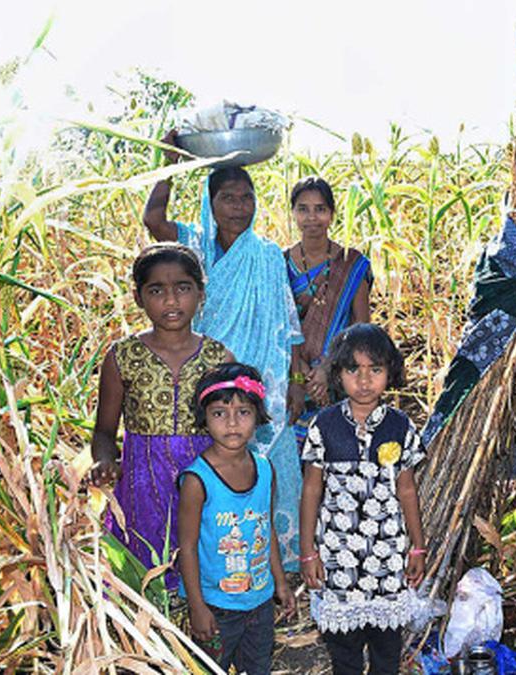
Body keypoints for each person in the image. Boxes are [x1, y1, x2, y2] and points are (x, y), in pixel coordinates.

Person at [144, 132, 305, 568]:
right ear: (210, 203)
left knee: (271, 472)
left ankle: (279, 569)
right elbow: (153, 218)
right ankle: (219, 567)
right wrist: (169, 159)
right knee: (212, 472)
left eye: (247, 197)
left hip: (263, 385)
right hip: (206, 380)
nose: (240, 206)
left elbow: (285, 326)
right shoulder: (192, 246)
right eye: (229, 197)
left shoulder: (268, 256)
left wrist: (293, 382)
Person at [91, 243, 233, 590]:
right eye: (157, 291)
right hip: (141, 487)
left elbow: (235, 428)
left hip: (204, 480)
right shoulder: (122, 357)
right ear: (138, 297)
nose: (171, 301)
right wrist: (106, 462)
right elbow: (104, 432)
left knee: (207, 568)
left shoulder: (218, 357)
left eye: (182, 289)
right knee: (144, 575)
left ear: (200, 293)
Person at [299, 324, 426, 675]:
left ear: (390, 372)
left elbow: (407, 490)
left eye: (376, 370)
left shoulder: (399, 427)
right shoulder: (323, 426)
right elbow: (311, 489)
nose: (365, 380)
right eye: (353, 369)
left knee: (387, 648)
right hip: (338, 558)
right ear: (339, 374)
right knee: (344, 652)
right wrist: (308, 551)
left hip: (387, 557)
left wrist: (417, 547)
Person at [178, 363, 295, 675]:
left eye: (243, 412)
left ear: (258, 416)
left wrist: (280, 583)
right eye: (219, 413)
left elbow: (265, 527)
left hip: (260, 600)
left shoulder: (265, 468)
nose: (232, 422)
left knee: (257, 667)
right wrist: (197, 607)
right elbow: (187, 548)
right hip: (217, 606)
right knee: (210, 668)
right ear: (205, 419)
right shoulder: (197, 480)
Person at [284, 176, 373, 440]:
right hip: (290, 374)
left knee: (335, 449)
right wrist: (298, 374)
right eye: (303, 209)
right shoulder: (279, 264)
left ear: (332, 214)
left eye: (320, 209)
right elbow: (278, 324)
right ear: (293, 214)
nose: (312, 218)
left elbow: (361, 327)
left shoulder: (351, 264)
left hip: (339, 371)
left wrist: (326, 368)